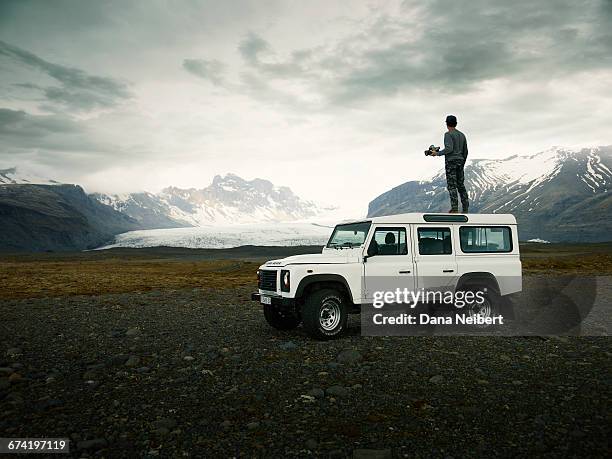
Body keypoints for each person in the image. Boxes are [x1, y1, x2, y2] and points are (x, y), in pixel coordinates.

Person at [428, 115, 469, 213]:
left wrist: (437, 153)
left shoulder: (448, 134)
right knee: (461, 185)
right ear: (456, 123)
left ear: (447, 124)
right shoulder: (462, 135)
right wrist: (462, 162)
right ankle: (465, 208)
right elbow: (466, 151)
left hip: (451, 162)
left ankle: (454, 208)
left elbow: (449, 149)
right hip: (460, 161)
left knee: (452, 185)